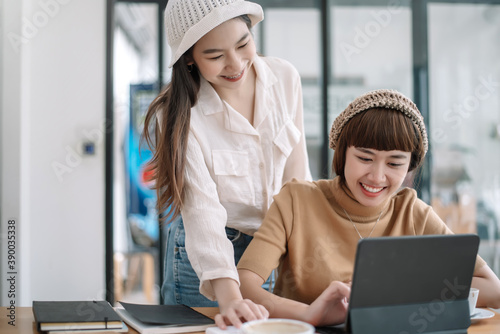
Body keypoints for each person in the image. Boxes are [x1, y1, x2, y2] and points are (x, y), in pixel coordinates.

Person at [236, 89, 500, 327]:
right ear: (342, 153)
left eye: (395, 163)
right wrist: (309, 314)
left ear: (410, 166)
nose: (377, 176)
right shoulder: (296, 200)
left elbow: (492, 287)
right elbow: (245, 284)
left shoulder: (413, 212)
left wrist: (391, 289)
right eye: (364, 158)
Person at [142, 0, 312, 328]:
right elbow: (201, 212)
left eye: (243, 44)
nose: (235, 64)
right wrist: (230, 297)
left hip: (270, 248)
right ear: (189, 59)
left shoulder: (285, 78)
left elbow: (297, 179)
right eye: (215, 56)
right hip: (204, 257)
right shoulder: (179, 114)